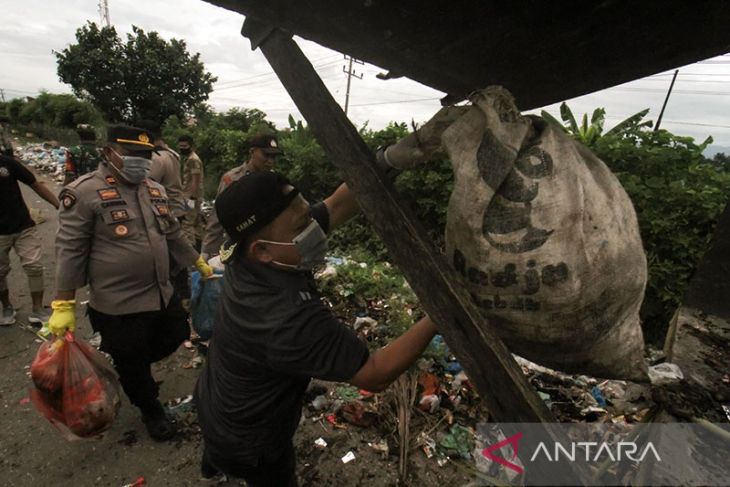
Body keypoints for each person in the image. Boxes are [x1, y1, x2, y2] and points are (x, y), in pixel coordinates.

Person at [195, 171, 439, 485]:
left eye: (308, 216)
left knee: (220, 436)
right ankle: (226, 463)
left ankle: (213, 464)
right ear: (262, 250)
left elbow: (337, 205)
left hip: (219, 394)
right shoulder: (284, 318)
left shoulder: (251, 254)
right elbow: (374, 373)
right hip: (251, 436)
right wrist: (436, 316)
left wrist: (388, 160)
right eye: (302, 227)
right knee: (267, 472)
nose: (313, 229)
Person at [48, 125, 213, 441]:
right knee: (133, 360)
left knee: (177, 332)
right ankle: (150, 409)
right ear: (110, 153)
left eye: (145, 156)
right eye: (133, 155)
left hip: (160, 293)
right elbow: (69, 251)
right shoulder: (83, 193)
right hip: (117, 304)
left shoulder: (154, 190)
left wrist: (198, 262)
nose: (141, 161)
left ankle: (129, 366)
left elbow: (173, 235)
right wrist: (63, 304)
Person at [201, 133, 282, 259]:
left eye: (274, 157)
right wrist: (207, 252)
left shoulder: (275, 181)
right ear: (252, 152)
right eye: (266, 155)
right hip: (238, 248)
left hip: (268, 249)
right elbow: (217, 218)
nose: (270, 161)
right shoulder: (233, 179)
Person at [0, 153, 59, 326]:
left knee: (34, 267)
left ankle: (38, 309)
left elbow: (34, 184)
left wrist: (57, 204)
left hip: (23, 226)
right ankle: (6, 307)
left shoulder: (6, 163)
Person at [136, 120, 189, 302]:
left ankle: (176, 293)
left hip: (166, 212)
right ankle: (182, 291)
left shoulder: (157, 158)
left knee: (168, 255)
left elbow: (147, 183)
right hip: (177, 208)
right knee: (175, 253)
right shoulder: (172, 154)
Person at [178, 135, 204, 250]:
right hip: (192, 196)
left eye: (185, 146)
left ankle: (191, 252)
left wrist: (191, 198)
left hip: (191, 197)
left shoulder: (193, 159)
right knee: (197, 224)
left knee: (187, 223)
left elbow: (196, 179)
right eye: (180, 146)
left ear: (191, 146)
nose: (182, 148)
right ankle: (200, 251)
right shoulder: (189, 158)